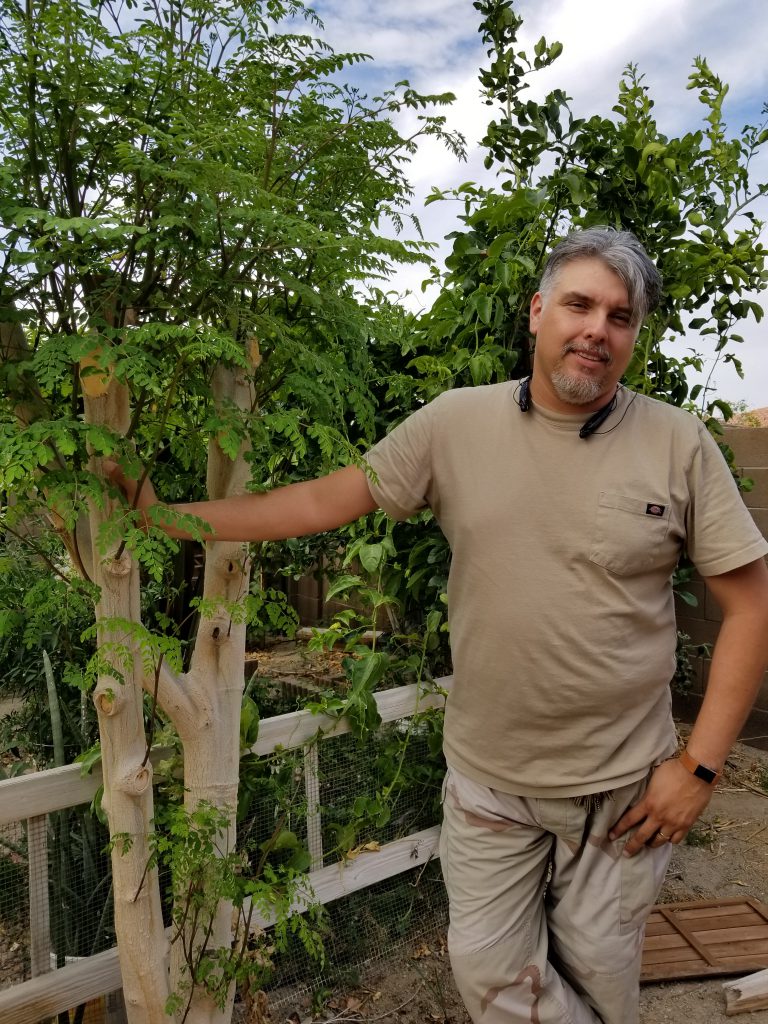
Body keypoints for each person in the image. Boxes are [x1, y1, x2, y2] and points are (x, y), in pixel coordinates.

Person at [109, 228, 768, 1024]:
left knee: (600, 981)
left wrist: (698, 769)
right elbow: (323, 501)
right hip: (493, 783)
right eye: (580, 304)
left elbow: (750, 605)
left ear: (633, 337)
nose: (597, 328)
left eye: (620, 316)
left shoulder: (679, 443)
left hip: (625, 791)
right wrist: (165, 517)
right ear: (537, 312)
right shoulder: (455, 424)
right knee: (489, 977)